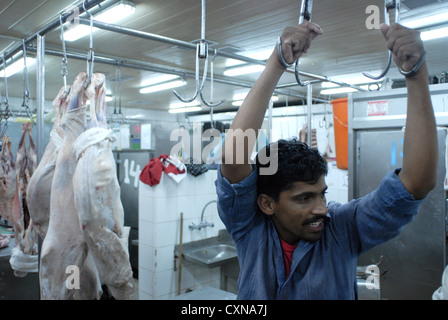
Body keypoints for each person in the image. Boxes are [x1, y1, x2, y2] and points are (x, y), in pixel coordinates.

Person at [215, 21, 437, 299]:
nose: (322, 209)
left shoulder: (341, 229)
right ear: (267, 204)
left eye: (322, 194)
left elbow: (416, 184)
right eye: (304, 198)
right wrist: (277, 62)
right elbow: (233, 156)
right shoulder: (251, 228)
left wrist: (416, 75)